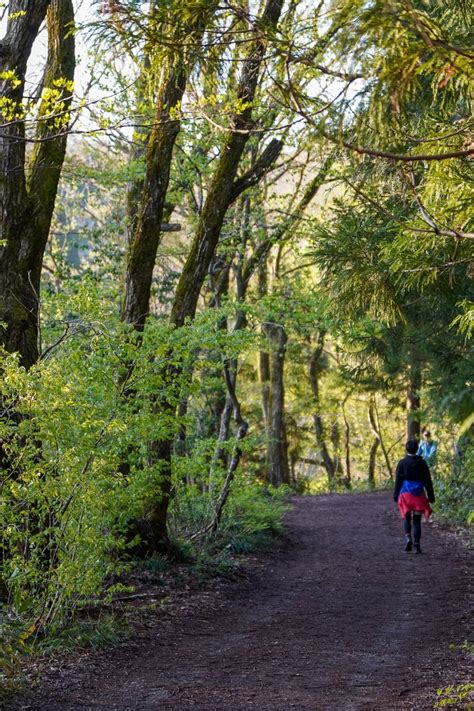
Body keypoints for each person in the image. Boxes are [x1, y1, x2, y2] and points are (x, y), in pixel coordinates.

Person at [393, 439, 435, 553]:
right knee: (416, 520)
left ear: (406, 449)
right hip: (418, 495)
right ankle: (417, 545)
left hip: (405, 495)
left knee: (407, 518)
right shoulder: (422, 463)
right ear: (417, 449)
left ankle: (408, 538)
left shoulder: (402, 463)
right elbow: (427, 481)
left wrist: (396, 494)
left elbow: (398, 480)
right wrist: (431, 496)